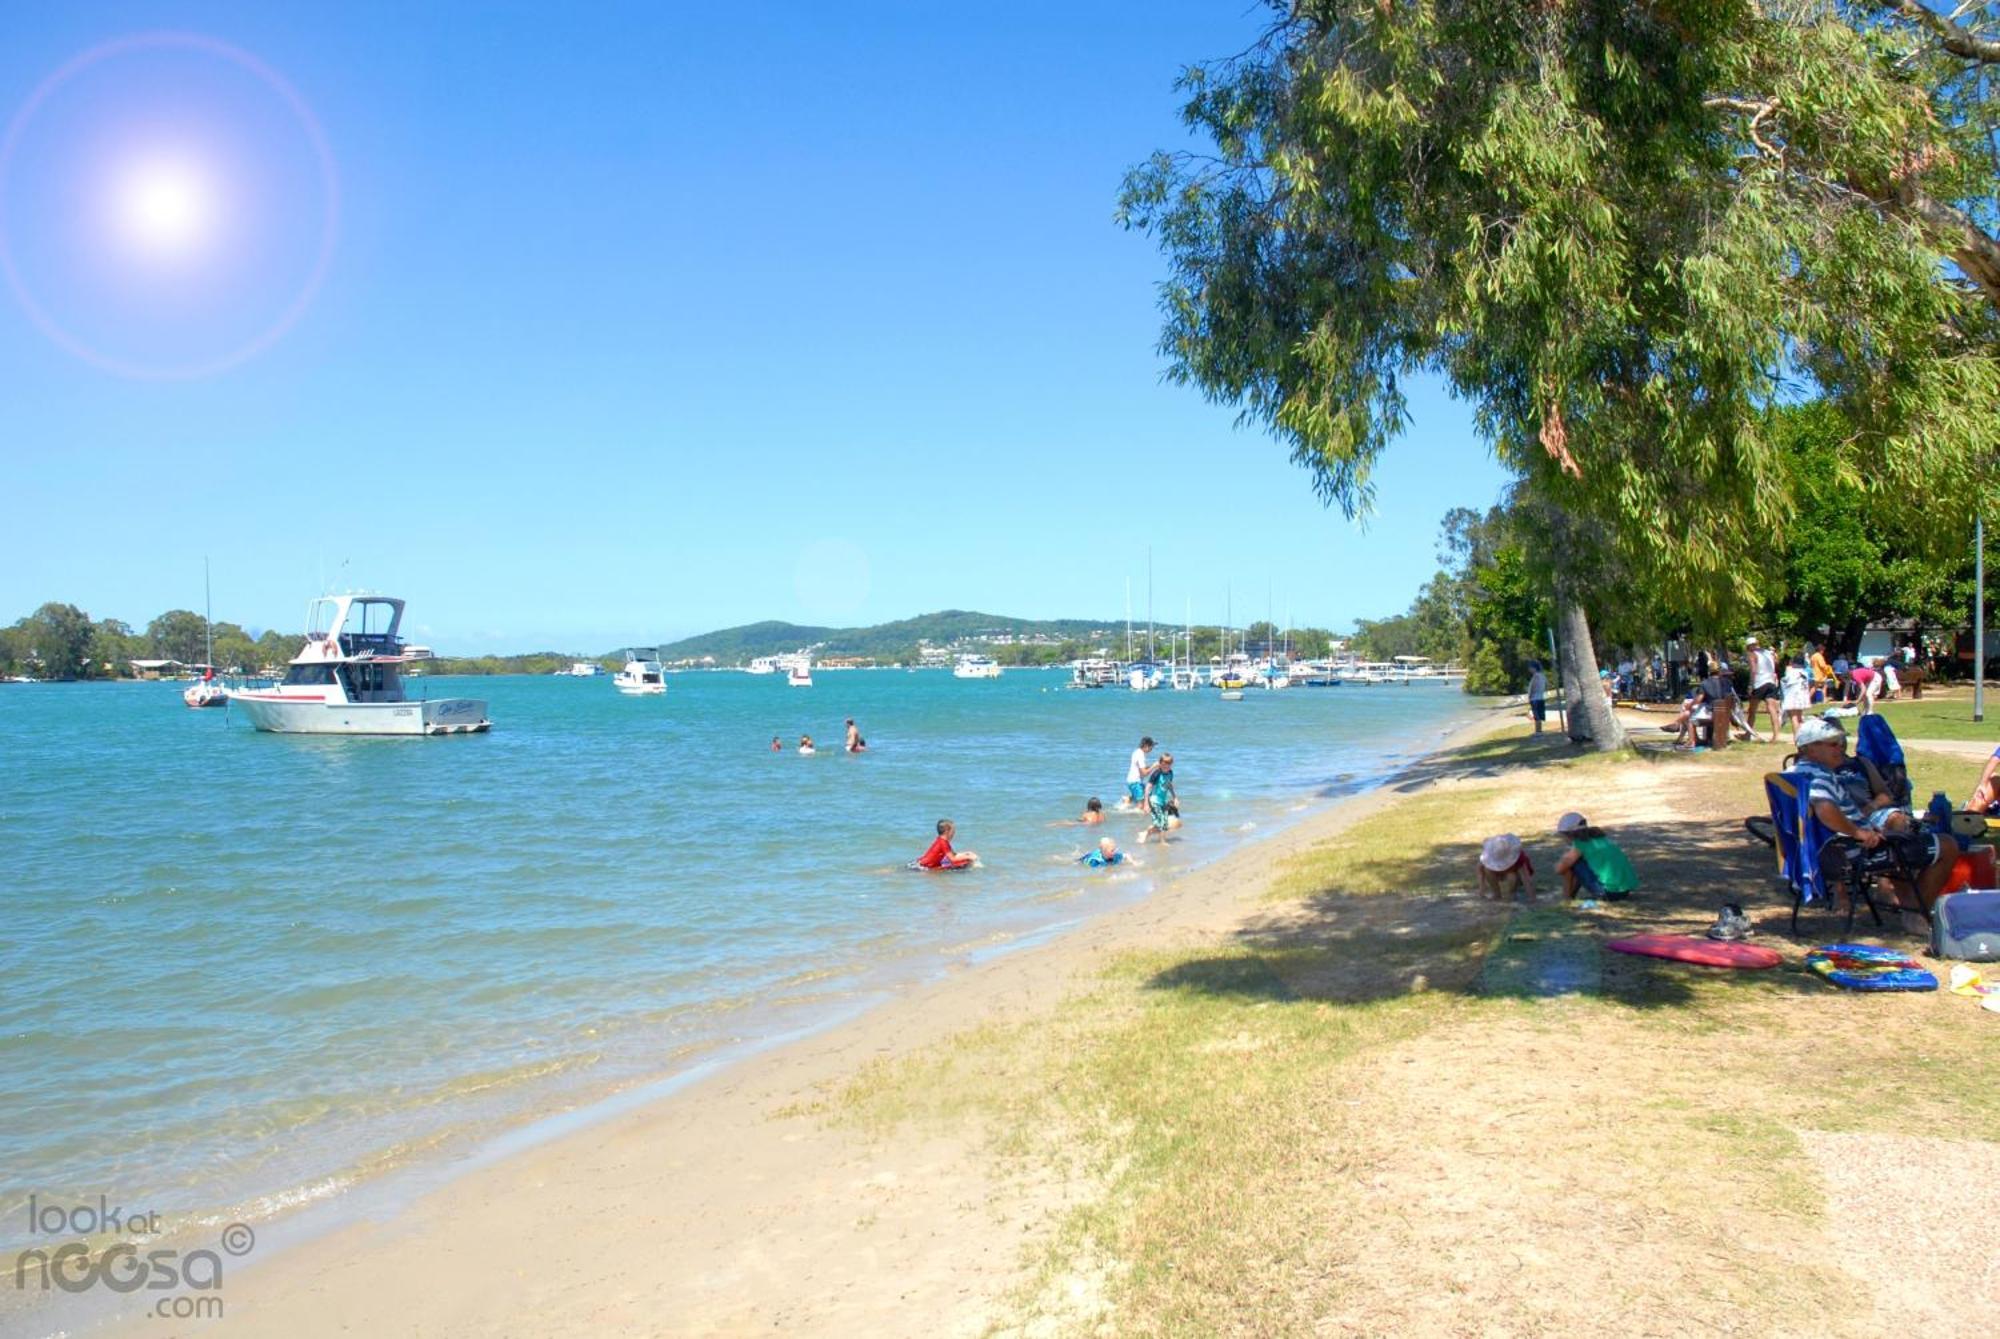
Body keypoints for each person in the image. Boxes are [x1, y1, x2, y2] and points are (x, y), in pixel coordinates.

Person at [1793, 717, 1958, 915]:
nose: (1840, 747)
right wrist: (1859, 833)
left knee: (1902, 830)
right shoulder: (1818, 777)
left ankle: (1906, 902)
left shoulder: (1795, 773)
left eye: (1840, 742)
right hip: (1852, 853)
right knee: (1947, 845)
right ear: (1810, 748)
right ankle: (1914, 913)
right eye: (1833, 744)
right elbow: (1824, 809)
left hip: (1824, 850)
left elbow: (1883, 795)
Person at [1553, 812, 1639, 902]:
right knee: (1578, 863)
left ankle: (1566, 899)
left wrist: (1564, 858)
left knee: (1573, 865)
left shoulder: (1580, 844)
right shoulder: (1600, 839)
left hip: (1609, 893)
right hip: (1624, 891)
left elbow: (1560, 869)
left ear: (1569, 834)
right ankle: (1570, 897)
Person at [1477, 833, 1536, 901]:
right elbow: (1480, 869)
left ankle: (1512, 893)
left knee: (1511, 875)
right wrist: (1481, 888)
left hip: (1514, 875)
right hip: (1498, 872)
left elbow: (1526, 878)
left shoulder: (1519, 857)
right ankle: (1496, 893)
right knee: (1487, 869)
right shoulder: (1489, 855)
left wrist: (1532, 897)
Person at [1746, 636, 1781, 743]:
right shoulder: (1768, 653)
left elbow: (1753, 670)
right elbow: (1776, 663)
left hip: (1759, 683)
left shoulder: (1753, 654)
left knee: (1752, 710)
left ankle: (1747, 734)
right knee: (1772, 710)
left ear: (1749, 646)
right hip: (1771, 682)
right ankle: (1775, 735)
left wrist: (1750, 685)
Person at [1137, 752, 1178, 843]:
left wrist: (1175, 797)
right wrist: (1146, 804)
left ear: (1171, 764)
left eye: (1168, 764)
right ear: (1160, 763)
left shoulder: (1170, 773)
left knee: (1164, 824)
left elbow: (1169, 785)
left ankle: (1145, 833)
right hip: (1154, 801)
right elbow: (1147, 787)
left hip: (1162, 801)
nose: (1166, 766)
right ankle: (1162, 842)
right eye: (1164, 764)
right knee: (1162, 823)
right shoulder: (1156, 774)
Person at [1780, 652, 1812, 736]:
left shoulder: (1791, 672)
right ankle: (1801, 737)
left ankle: (1796, 738)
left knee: (1794, 717)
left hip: (1794, 696)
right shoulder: (1804, 672)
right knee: (1799, 717)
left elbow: (1785, 681)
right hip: (1802, 695)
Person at [1125, 737, 1156, 808]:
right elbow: (1144, 773)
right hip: (1135, 782)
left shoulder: (1137, 752)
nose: (1152, 749)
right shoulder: (1140, 755)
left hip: (1134, 781)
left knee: (1148, 794)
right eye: (1151, 747)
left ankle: (1128, 800)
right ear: (1146, 746)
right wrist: (1154, 766)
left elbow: (1141, 768)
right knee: (1141, 803)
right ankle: (1137, 816)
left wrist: (1153, 766)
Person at [1526, 661, 1548, 734]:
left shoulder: (1536, 676)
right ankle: (1539, 730)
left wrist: (1530, 696)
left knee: (1536, 715)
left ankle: (1538, 731)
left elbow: (1533, 687)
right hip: (1541, 697)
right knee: (1540, 715)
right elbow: (1546, 685)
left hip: (1535, 698)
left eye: (1530, 667)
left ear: (1534, 668)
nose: (1529, 669)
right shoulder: (1543, 676)